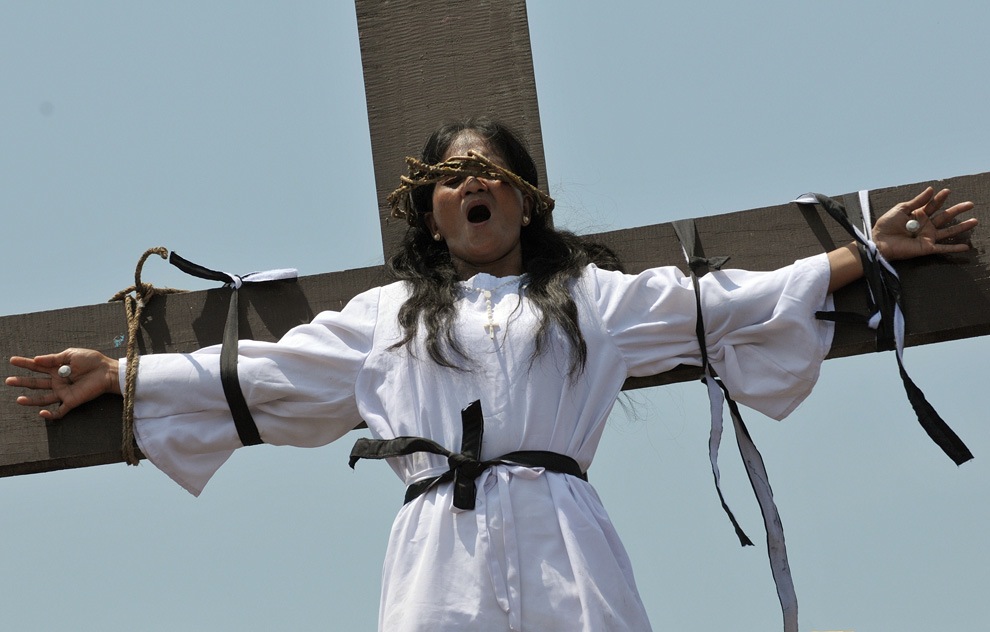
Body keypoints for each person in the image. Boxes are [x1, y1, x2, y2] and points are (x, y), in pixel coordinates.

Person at [6, 118, 978, 631]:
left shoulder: (593, 300)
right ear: (430, 207)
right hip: (440, 548)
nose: (476, 181)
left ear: (525, 200)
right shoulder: (383, 319)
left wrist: (864, 251)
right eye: (456, 173)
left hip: (566, 536)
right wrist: (125, 374)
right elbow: (256, 372)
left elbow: (730, 301)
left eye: (495, 171)